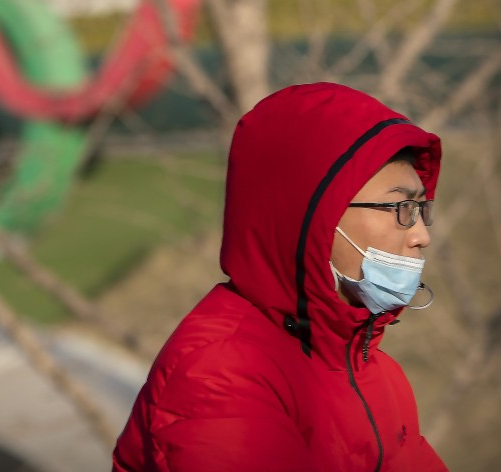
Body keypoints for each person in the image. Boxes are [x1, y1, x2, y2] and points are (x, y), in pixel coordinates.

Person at [112, 82, 448, 471]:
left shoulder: (370, 368)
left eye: (422, 208)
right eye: (401, 207)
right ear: (313, 214)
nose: (421, 234)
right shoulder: (222, 374)